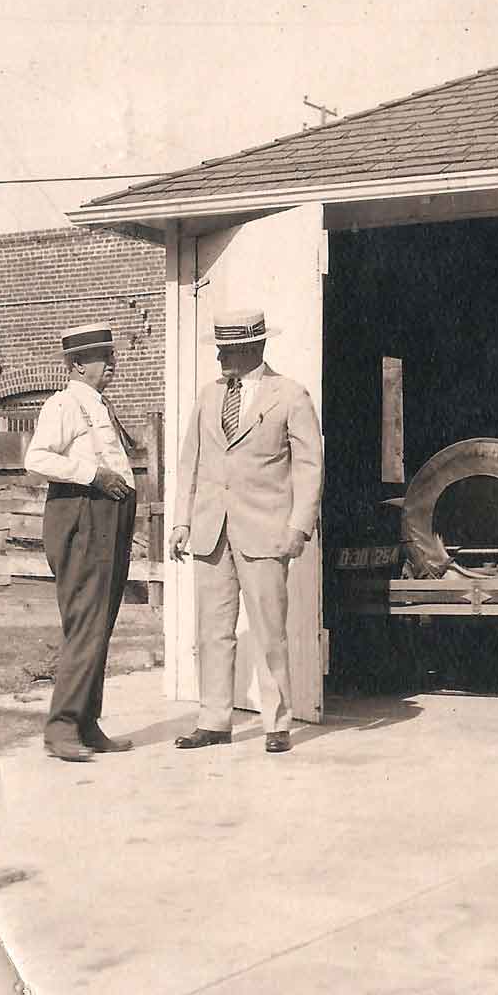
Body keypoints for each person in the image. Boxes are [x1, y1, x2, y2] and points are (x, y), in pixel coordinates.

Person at [168, 307, 323, 753]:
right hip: (210, 531)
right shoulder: (208, 395)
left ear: (255, 347)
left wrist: (299, 526)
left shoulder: (290, 396)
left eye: (229, 350)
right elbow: (189, 462)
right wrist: (181, 521)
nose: (220, 358)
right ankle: (214, 720)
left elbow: (310, 468)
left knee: (269, 629)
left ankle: (277, 723)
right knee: (210, 630)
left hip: (265, 531)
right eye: (219, 349)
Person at [24, 322, 137, 762]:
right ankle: (61, 728)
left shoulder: (98, 404)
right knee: (86, 623)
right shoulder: (64, 403)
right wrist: (93, 475)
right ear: (76, 365)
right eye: (101, 357)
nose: (111, 363)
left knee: (99, 624)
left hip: (109, 514)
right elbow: (36, 458)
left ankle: (87, 722)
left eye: (111, 355)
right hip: (83, 514)